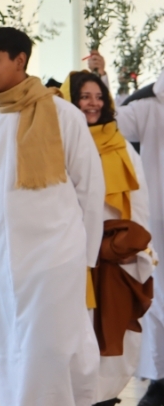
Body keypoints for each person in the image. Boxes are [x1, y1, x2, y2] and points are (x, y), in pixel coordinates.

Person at [0, 27, 104, 405]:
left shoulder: (62, 115)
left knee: (51, 351)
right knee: (7, 351)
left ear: (20, 60)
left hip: (55, 258)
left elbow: (89, 188)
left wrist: (83, 258)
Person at [61, 71, 154, 406]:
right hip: (72, 250)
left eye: (98, 96)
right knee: (77, 326)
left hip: (114, 253)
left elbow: (138, 195)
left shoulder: (119, 142)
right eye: (85, 96)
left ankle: (103, 396)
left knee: (114, 326)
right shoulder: (60, 139)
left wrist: (133, 245)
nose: (93, 104)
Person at [114, 71, 164, 406]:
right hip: (159, 219)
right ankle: (160, 379)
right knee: (158, 297)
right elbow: (109, 122)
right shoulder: (149, 105)